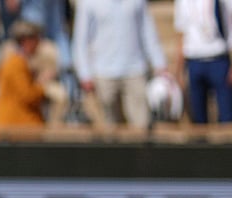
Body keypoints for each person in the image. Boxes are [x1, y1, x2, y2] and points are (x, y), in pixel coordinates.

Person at [71, 0, 167, 129]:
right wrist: (84, 74)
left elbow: (147, 32)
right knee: (108, 131)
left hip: (135, 70)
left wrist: (159, 63)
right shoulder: (88, 3)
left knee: (141, 127)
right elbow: (80, 40)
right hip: (103, 74)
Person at [174, 0, 232, 123]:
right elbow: (181, 33)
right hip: (194, 62)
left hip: (220, 59)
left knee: (227, 117)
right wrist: (179, 71)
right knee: (198, 120)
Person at [0, 19, 53, 127]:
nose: (39, 43)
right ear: (26, 41)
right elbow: (26, 96)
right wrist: (42, 85)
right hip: (15, 127)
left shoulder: (18, 62)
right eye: (37, 39)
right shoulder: (16, 64)